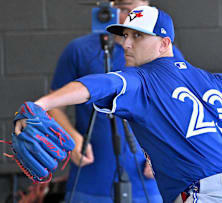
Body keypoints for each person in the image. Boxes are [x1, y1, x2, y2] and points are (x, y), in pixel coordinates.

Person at [15, 6, 222, 203]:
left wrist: (42, 104)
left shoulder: (142, 79)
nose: (126, 43)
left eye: (137, 37)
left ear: (165, 44)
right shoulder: (219, 82)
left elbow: (98, 85)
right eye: (125, 35)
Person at [49, 0, 184, 202]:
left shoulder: (161, 50)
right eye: (118, 9)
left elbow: (182, 109)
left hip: (148, 181)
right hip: (90, 178)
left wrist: (168, 152)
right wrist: (73, 138)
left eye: (130, 9)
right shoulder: (79, 49)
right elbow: (54, 105)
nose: (125, 17)